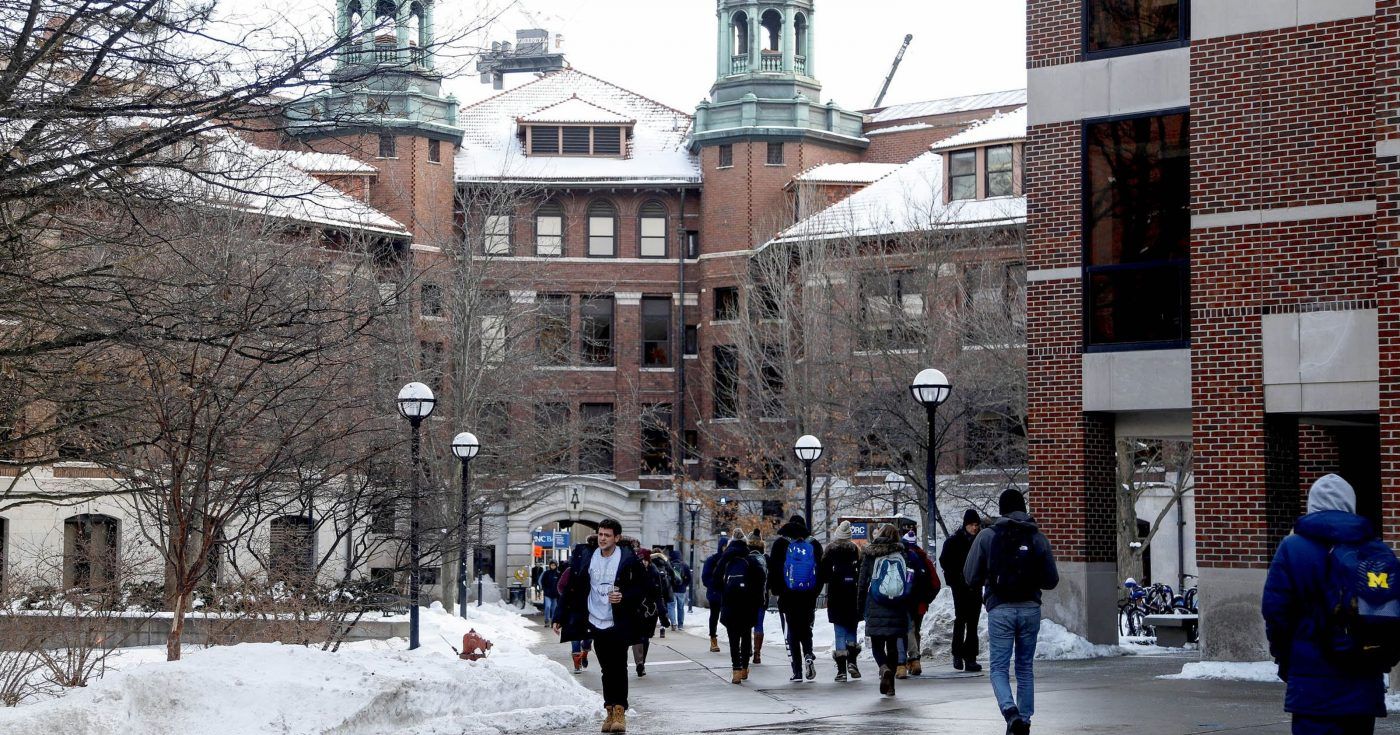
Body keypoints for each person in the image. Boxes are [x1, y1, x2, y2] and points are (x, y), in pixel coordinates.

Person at [1263, 474, 1399, 735]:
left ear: (1312, 505)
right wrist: (1381, 659)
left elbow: (1276, 612)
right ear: (1351, 505)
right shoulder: (1376, 550)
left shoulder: (1293, 548)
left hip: (1311, 687)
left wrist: (1284, 659)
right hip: (1363, 685)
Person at [965, 488, 1059, 735]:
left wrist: (988, 580)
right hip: (1030, 609)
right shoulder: (1037, 536)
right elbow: (1051, 580)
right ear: (1024, 507)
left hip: (1000, 609)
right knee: (1025, 667)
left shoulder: (987, 536)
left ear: (1001, 509)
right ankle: (1025, 720)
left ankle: (1011, 712)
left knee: (998, 667)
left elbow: (969, 575)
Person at [555, 519, 646, 734]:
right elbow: (571, 587)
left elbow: (643, 587)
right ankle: (609, 709)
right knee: (606, 668)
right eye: (600, 534)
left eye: (607, 535)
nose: (602, 538)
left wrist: (624, 596)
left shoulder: (628, 559)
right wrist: (560, 615)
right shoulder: (586, 556)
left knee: (619, 666)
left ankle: (619, 712)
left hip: (618, 620)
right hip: (595, 620)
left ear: (617, 538)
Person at [857, 524, 912, 696]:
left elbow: (862, 583)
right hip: (898, 607)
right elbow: (909, 580)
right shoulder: (902, 553)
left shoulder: (870, 553)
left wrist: (860, 607)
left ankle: (883, 668)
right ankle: (891, 686)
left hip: (875, 605)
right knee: (893, 646)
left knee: (877, 645)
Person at [769, 515, 823, 682]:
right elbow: (820, 571)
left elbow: (773, 569)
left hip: (787, 595)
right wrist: (814, 592)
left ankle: (797, 671)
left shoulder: (780, 544)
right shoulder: (813, 544)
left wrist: (776, 590)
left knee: (792, 630)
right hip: (807, 595)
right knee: (805, 627)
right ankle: (808, 653)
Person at [716, 530, 766, 684]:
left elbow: (716, 579)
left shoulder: (725, 560)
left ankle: (736, 670)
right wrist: (758, 600)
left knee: (733, 637)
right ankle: (744, 667)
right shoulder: (750, 559)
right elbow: (761, 579)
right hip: (747, 604)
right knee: (745, 635)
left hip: (730, 603)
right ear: (746, 543)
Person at [940, 508, 984, 672]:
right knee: (961, 620)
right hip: (960, 586)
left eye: (976, 525)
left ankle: (970, 657)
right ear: (966, 525)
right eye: (972, 525)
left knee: (972, 623)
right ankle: (958, 654)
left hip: (975, 586)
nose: (975, 528)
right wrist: (954, 579)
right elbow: (945, 561)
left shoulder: (979, 541)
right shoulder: (954, 541)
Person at [821, 520, 863, 682]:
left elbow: (824, 575)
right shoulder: (856, 550)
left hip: (836, 595)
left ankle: (841, 671)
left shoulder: (830, 550)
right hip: (852, 595)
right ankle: (852, 663)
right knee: (851, 629)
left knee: (839, 632)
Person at [900, 528, 941, 678]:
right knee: (915, 630)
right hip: (920, 604)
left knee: (907, 630)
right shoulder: (924, 560)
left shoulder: (903, 557)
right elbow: (936, 584)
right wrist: (926, 599)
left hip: (906, 601)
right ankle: (914, 662)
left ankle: (909, 660)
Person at [632, 546, 671, 676]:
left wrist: (663, 614)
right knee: (637, 636)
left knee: (646, 638)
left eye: (645, 560)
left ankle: (642, 662)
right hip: (636, 609)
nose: (644, 562)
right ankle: (639, 663)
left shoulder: (654, 572)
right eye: (641, 560)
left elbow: (658, 594)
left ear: (649, 560)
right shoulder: (633, 571)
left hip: (650, 610)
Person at [701, 535, 729, 653]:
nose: (726, 549)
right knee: (714, 616)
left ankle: (734, 639)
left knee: (729, 617)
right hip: (715, 593)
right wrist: (715, 584)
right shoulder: (712, 560)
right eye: (724, 546)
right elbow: (705, 577)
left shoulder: (731, 559)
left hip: (728, 593)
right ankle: (713, 639)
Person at [746, 531, 770, 665]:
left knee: (746, 624)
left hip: (747, 597)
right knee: (759, 624)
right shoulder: (765, 558)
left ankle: (747, 648)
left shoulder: (745, 556)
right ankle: (757, 654)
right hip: (762, 597)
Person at [649, 547, 676, 639]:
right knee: (663, 608)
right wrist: (671, 583)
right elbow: (672, 572)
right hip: (665, 587)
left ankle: (652, 630)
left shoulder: (650, 561)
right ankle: (662, 628)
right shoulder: (665, 560)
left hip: (654, 587)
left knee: (654, 608)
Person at [668, 549, 691, 630]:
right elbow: (689, 578)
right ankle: (680, 625)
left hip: (672, 590)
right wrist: (684, 585)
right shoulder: (685, 566)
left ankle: (673, 623)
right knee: (680, 608)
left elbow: (667, 578)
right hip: (681, 590)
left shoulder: (669, 565)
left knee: (671, 606)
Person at [541, 560, 562, 626]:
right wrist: (545, 589)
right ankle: (547, 621)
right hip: (547, 594)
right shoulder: (546, 573)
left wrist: (559, 592)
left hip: (555, 595)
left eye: (554, 565)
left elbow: (560, 583)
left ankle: (553, 622)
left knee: (554, 609)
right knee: (547, 607)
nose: (553, 566)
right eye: (552, 565)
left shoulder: (558, 574)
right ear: (550, 565)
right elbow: (542, 582)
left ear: (556, 566)